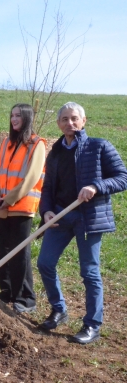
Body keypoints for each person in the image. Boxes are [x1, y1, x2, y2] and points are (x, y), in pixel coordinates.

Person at [37, 102, 127, 344]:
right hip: (60, 216)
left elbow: (122, 177)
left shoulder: (99, 147)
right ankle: (59, 309)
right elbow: (47, 188)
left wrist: (96, 186)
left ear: (83, 120)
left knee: (89, 272)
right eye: (65, 119)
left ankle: (92, 325)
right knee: (45, 263)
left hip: (88, 218)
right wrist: (45, 211)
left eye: (74, 118)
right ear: (59, 124)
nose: (70, 123)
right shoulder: (55, 153)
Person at [0, 103, 45, 313]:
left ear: (27, 118)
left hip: (21, 206)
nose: (14, 120)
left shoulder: (36, 144)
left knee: (19, 252)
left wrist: (10, 199)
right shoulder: (6, 142)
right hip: (2, 205)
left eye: (18, 116)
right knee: (2, 249)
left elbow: (32, 177)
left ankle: (25, 298)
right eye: (12, 115)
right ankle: (7, 291)